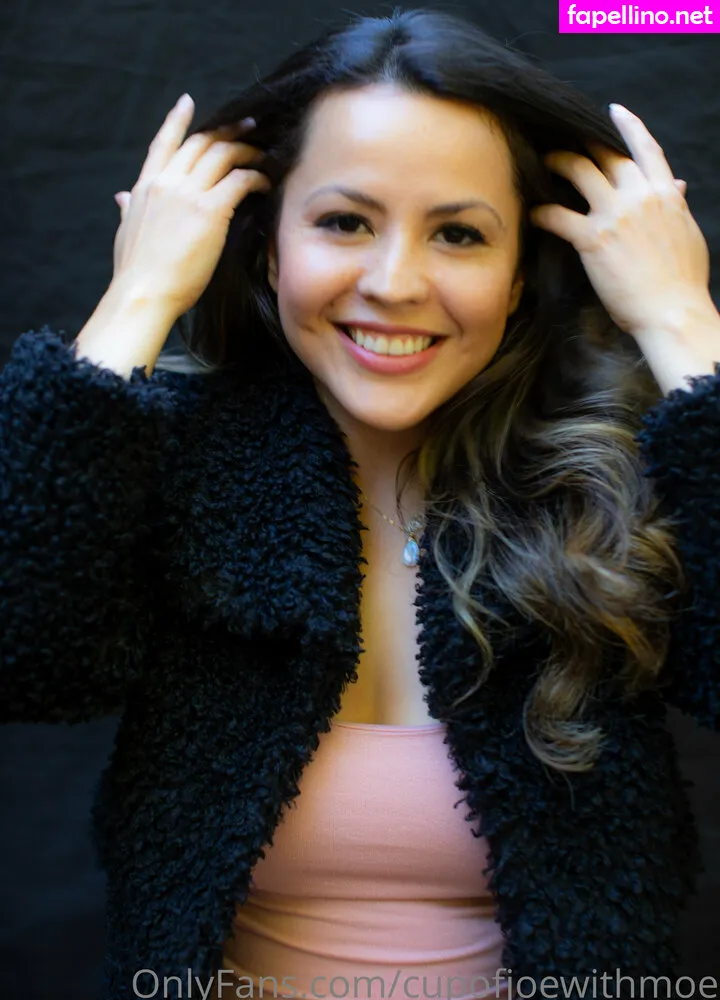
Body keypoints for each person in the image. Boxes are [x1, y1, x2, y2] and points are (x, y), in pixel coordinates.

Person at [1, 7, 719, 1000]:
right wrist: (139, 297)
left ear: (518, 277)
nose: (394, 282)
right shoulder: (172, 461)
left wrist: (682, 320)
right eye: (344, 222)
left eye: (459, 233)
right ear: (267, 249)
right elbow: (24, 655)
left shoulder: (612, 476)